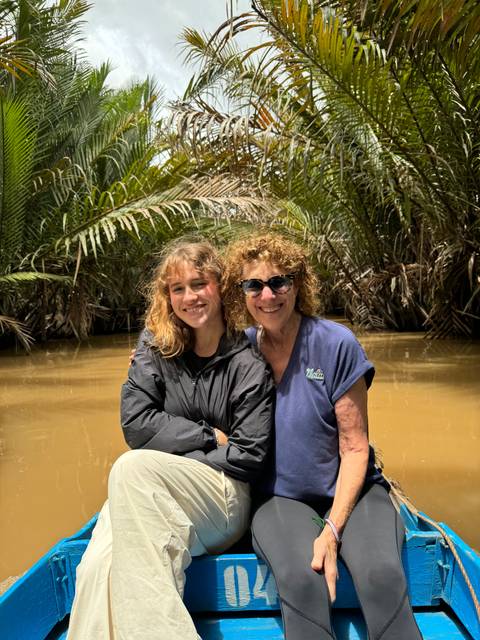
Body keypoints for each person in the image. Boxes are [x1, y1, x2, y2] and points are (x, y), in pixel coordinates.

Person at [67, 240, 274, 640]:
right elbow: (136, 424)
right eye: (177, 288)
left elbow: (248, 456)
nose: (190, 297)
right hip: (155, 486)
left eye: (199, 284)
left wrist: (179, 460)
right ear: (167, 296)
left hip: (223, 497)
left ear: (220, 286)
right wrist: (207, 436)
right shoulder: (154, 346)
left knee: (131, 468)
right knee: (98, 564)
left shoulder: (248, 362)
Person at [222, 232, 422, 640]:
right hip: (280, 497)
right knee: (301, 579)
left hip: (354, 491)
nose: (267, 295)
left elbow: (354, 447)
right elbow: (186, 373)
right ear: (241, 293)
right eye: (254, 285)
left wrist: (332, 529)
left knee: (382, 575)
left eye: (279, 282)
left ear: (298, 285)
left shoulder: (335, 344)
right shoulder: (237, 351)